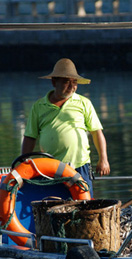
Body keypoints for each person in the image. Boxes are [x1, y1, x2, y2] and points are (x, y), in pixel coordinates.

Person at [21, 58, 110, 197]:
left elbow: (96, 132)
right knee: (54, 206)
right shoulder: (39, 107)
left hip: (80, 165)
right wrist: (22, 163)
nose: (71, 86)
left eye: (74, 82)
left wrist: (103, 159)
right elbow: (30, 137)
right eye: (66, 82)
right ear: (54, 82)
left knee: (84, 205)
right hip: (51, 168)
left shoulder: (84, 103)